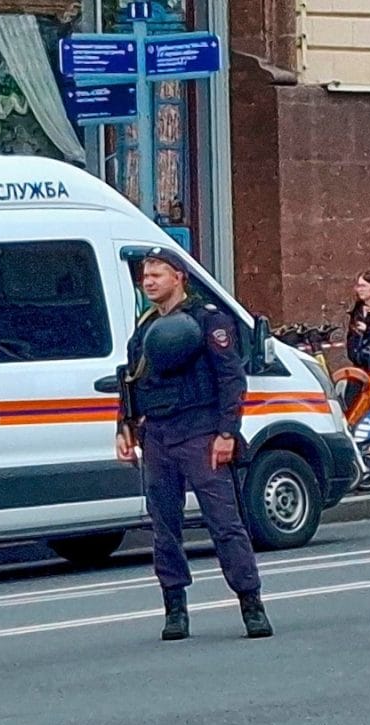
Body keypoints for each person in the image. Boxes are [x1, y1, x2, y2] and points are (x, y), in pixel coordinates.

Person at [116, 246, 272, 641]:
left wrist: (226, 433)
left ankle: (250, 603)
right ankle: (175, 609)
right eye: (146, 275)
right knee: (164, 528)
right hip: (159, 437)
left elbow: (231, 378)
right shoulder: (146, 326)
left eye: (157, 274)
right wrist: (125, 425)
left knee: (224, 523)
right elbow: (132, 378)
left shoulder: (208, 321)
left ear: (179, 278)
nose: (149, 281)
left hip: (201, 434)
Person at [345, 270, 370, 408]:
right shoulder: (357, 311)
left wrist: (369, 330)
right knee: (352, 401)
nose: (359, 289)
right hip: (359, 364)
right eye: (358, 286)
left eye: (363, 286)